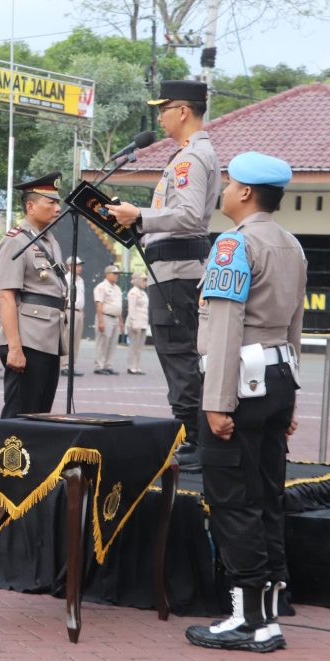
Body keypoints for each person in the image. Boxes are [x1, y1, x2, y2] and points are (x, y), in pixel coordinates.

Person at [184, 152, 305, 653]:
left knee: (234, 500)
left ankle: (247, 619)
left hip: (239, 384)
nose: (225, 190)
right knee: (267, 497)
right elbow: (296, 324)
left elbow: (227, 324)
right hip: (278, 378)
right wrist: (290, 402)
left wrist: (217, 401)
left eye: (230, 182)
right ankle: (269, 614)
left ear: (246, 193)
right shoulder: (291, 244)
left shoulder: (234, 244)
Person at [108, 80, 219, 466]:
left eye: (163, 109)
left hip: (177, 272)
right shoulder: (187, 155)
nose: (159, 117)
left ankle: (195, 439)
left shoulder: (191, 159)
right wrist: (135, 220)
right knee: (179, 352)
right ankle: (194, 436)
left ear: (183, 111)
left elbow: (188, 216)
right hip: (173, 268)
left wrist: (139, 215)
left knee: (178, 352)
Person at [0, 172, 67, 418]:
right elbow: (6, 296)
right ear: (31, 206)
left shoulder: (50, 241)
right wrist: (14, 347)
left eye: (58, 202)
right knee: (19, 413)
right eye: (51, 202)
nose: (58, 208)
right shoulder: (15, 241)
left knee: (40, 414)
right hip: (26, 338)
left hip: (48, 337)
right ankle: (6, 447)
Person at [93, 265, 123, 375]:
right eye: (114, 273)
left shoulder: (117, 288)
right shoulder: (101, 287)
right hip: (105, 317)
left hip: (115, 318)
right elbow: (99, 305)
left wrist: (121, 321)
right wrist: (100, 321)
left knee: (113, 343)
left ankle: (108, 365)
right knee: (103, 343)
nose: (116, 276)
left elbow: (118, 306)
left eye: (117, 274)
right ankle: (99, 366)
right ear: (107, 274)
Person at [61, 256, 85, 376]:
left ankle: (72, 365)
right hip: (69, 310)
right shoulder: (65, 279)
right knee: (67, 339)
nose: (80, 267)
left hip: (79, 311)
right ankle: (64, 365)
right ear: (69, 266)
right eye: (77, 265)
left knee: (76, 340)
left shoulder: (80, 280)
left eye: (80, 265)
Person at [126, 272, 149, 374]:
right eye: (144, 280)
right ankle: (131, 367)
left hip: (143, 323)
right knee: (134, 346)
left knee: (140, 347)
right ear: (138, 280)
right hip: (135, 323)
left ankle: (137, 366)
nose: (145, 282)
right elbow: (131, 309)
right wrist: (134, 323)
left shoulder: (143, 293)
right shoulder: (133, 292)